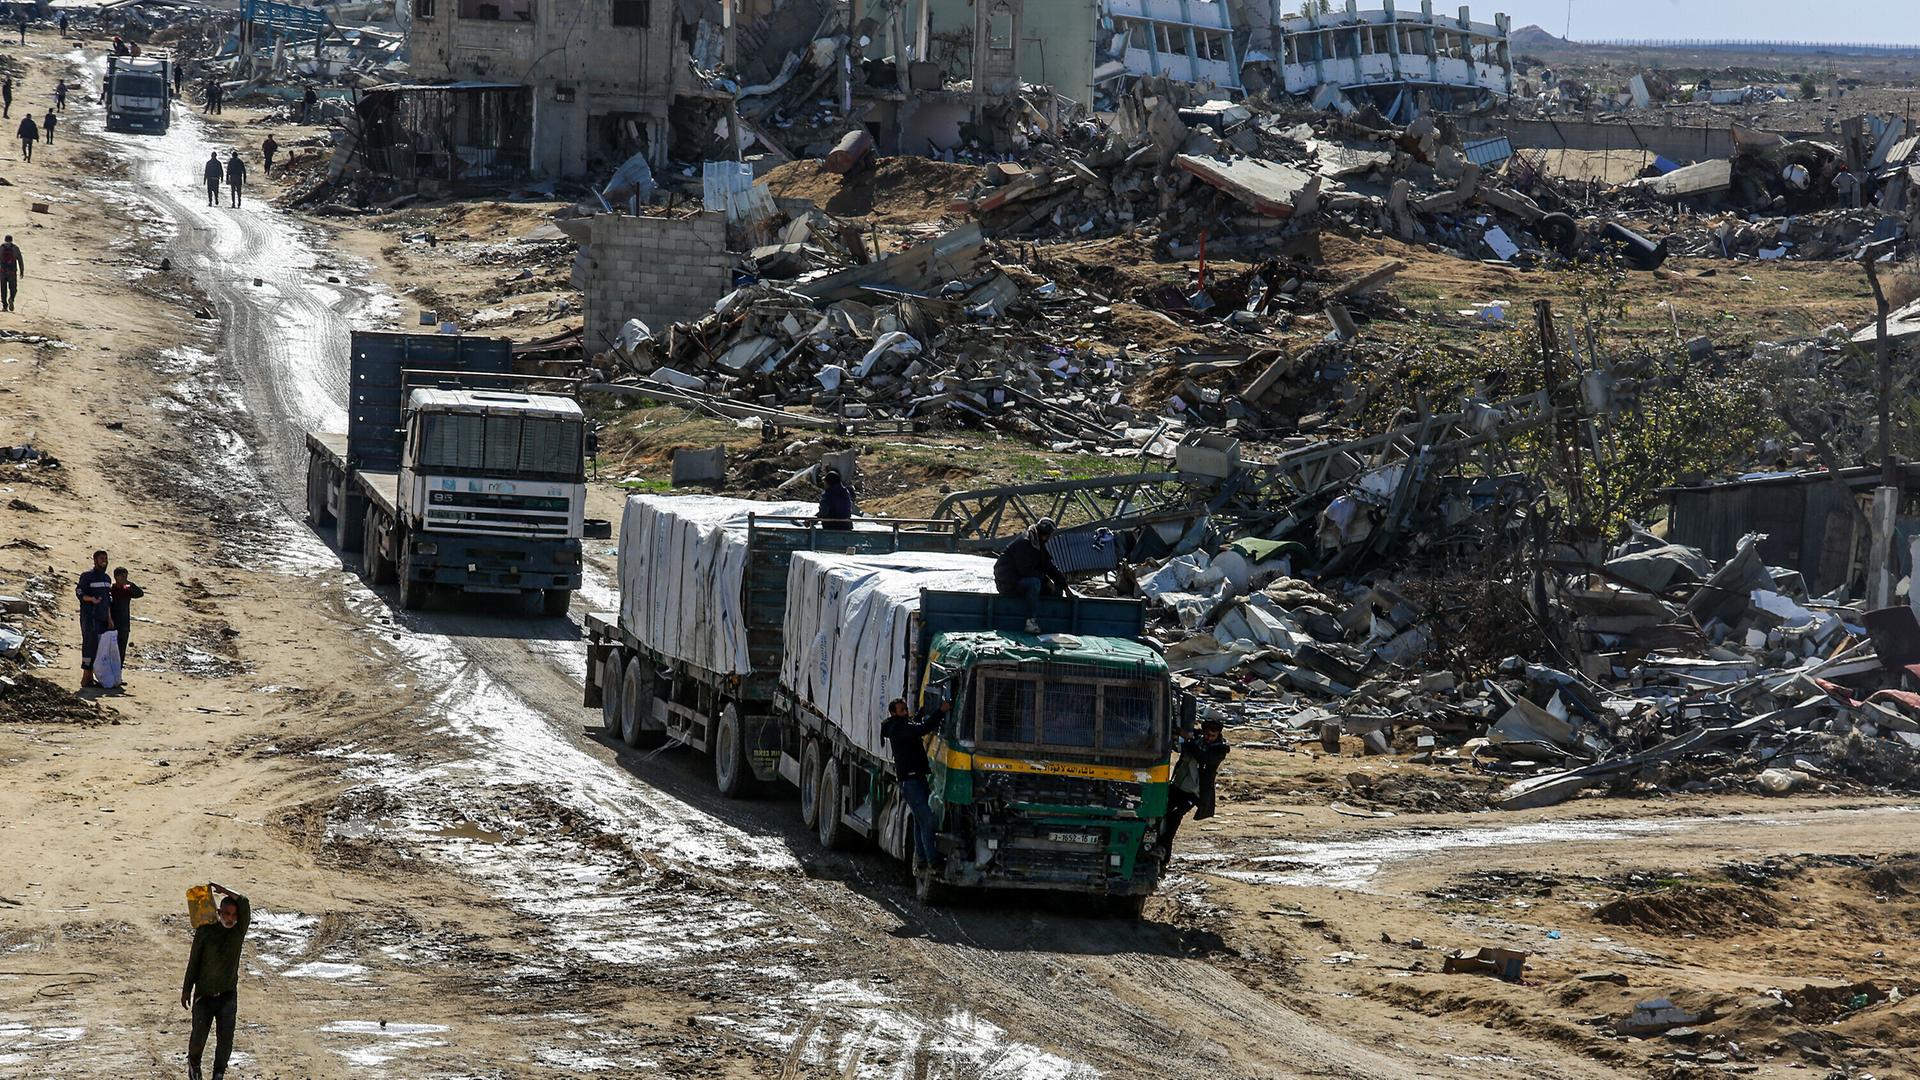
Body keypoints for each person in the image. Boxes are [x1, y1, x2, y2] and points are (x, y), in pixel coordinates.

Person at [180, 883, 251, 1080]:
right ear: (219, 912)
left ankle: (218, 1073)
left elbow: (244, 902)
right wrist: (187, 989)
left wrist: (225, 890)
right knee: (198, 1037)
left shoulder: (238, 933)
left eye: (233, 915)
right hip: (204, 995)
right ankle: (194, 1065)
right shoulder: (205, 932)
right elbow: (193, 961)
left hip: (227, 995)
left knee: (225, 1040)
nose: (230, 918)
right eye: (226, 914)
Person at [880, 697, 945, 871]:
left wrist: (921, 713)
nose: (905, 712)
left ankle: (922, 859)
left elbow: (913, 725)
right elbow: (921, 729)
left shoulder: (900, 725)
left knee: (919, 821)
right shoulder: (899, 728)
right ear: (893, 713)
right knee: (928, 821)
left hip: (917, 779)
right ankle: (933, 860)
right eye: (902, 710)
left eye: (906, 709)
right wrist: (941, 711)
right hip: (911, 782)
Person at [1158, 719, 1231, 861]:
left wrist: (1188, 740)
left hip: (1193, 793)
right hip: (1177, 786)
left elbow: (1202, 757)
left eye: (1213, 736)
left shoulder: (1220, 749)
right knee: (1160, 815)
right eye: (1207, 734)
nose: (1209, 738)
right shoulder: (1196, 738)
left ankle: (1163, 854)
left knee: (1175, 817)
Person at [992, 518, 1068, 634]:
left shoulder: (1038, 544)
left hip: (1022, 581)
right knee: (1035, 583)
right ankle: (1030, 621)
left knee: (1056, 591)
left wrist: (1065, 587)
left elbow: (1049, 566)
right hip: (1008, 583)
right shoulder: (1025, 542)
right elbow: (1025, 570)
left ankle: (1051, 623)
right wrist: (1046, 580)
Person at [75, 550, 113, 690]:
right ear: (95, 560)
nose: (104, 561)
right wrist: (91, 599)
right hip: (89, 617)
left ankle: (92, 678)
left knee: (99, 648)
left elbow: (108, 601)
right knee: (89, 645)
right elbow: (79, 593)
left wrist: (109, 619)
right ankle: (85, 677)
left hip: (102, 618)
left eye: (106, 558)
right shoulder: (87, 576)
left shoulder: (107, 579)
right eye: (102, 558)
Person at [110, 567, 143, 668]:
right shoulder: (111, 589)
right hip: (112, 623)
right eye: (122, 576)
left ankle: (118, 675)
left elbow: (140, 593)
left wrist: (129, 584)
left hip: (124, 625)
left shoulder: (127, 589)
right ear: (116, 577)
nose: (124, 578)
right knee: (110, 651)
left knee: (121, 652)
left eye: (126, 576)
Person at [0, 234, 23, 313]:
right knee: (13, 288)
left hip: (2, 272)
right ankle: (11, 298)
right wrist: (22, 271)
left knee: (3, 290)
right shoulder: (15, 248)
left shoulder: (1, 248)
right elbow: (20, 260)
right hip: (12, 272)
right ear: (12, 240)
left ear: (5, 240)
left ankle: (5, 306)